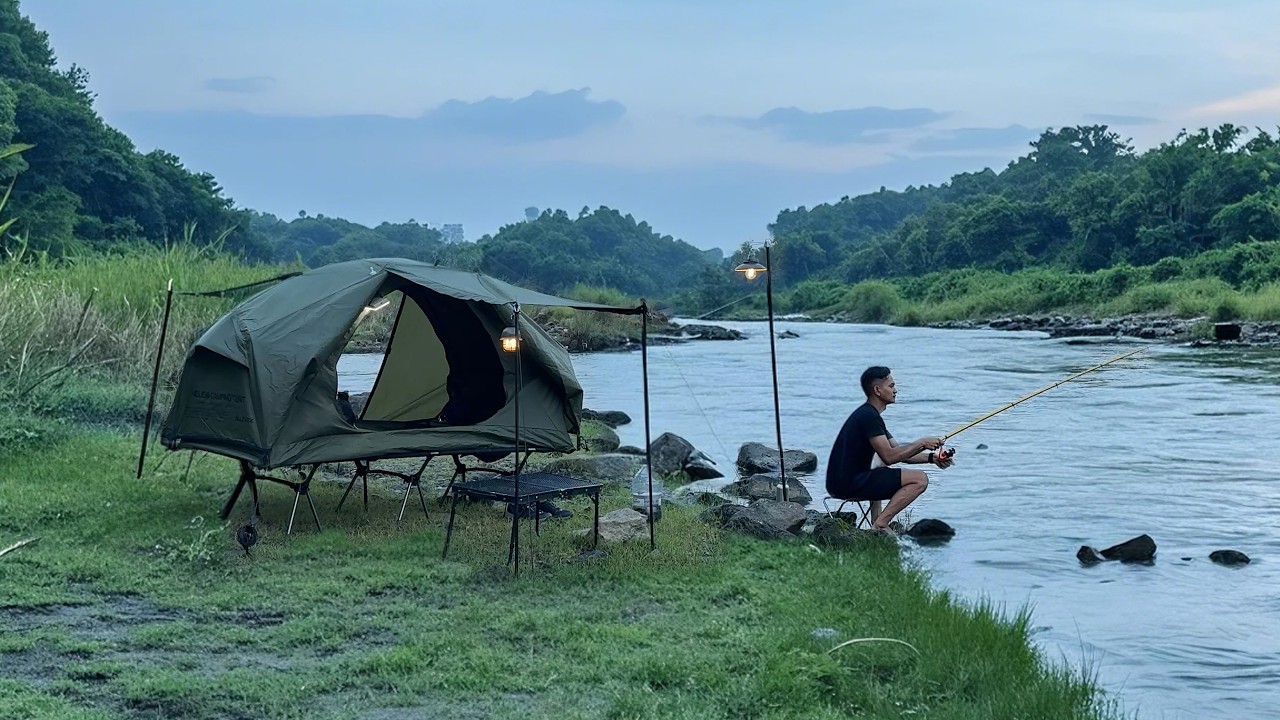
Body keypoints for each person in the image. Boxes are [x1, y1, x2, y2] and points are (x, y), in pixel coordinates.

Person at [826, 366, 953, 532]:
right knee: (920, 479)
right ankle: (880, 524)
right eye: (891, 386)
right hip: (847, 484)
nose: (895, 390)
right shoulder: (868, 417)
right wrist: (922, 442)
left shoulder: (870, 416)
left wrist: (931, 458)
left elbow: (899, 452)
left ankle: (875, 526)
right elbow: (890, 457)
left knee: (880, 468)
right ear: (877, 390)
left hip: (844, 482)